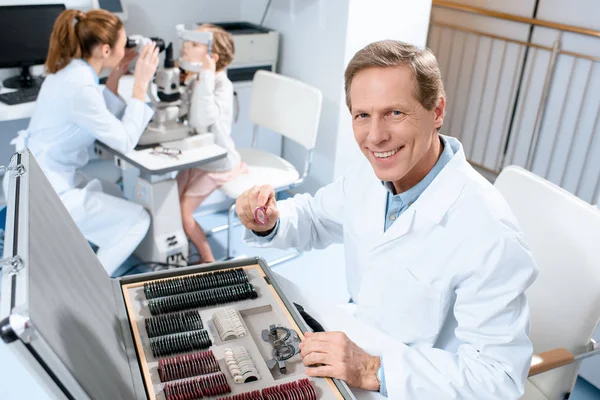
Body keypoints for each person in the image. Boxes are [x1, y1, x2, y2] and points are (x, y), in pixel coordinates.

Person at [235, 40, 538, 399]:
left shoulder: (488, 231)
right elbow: (315, 219)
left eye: (395, 112)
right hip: (360, 350)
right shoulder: (373, 176)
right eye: (363, 115)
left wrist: (371, 367)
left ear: (437, 111)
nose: (375, 136)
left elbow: (497, 380)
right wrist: (269, 219)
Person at [2, 9, 159, 276]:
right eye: (124, 44)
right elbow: (124, 140)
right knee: (139, 220)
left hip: (37, 178)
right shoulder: (81, 87)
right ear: (106, 50)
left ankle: (80, 256)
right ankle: (92, 282)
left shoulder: (68, 72)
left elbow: (96, 116)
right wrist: (140, 86)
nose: (127, 48)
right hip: (45, 191)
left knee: (110, 190)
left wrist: (116, 75)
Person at [176, 24, 246, 264]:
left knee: (184, 212)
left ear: (212, 58)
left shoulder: (221, 86)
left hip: (219, 164)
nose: (186, 46)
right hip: (200, 157)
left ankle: (208, 259)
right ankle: (180, 247)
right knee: (170, 199)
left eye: (194, 44)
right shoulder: (202, 79)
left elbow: (204, 117)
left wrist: (204, 75)